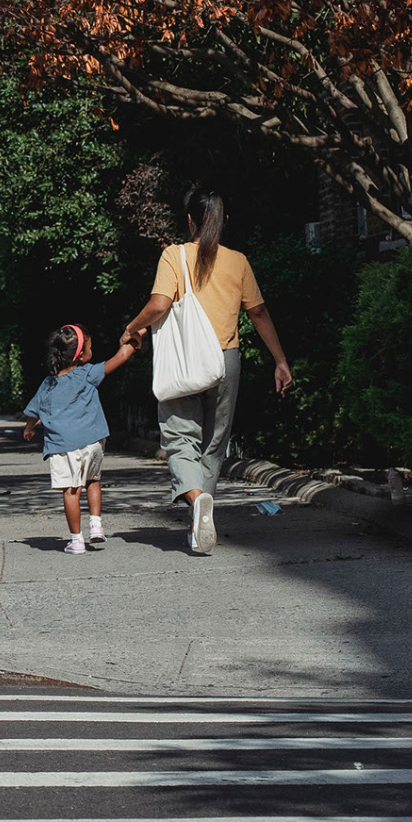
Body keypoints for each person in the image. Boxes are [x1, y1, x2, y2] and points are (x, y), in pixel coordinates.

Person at [120, 189, 293, 555]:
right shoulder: (238, 261)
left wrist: (132, 327)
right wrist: (280, 360)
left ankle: (197, 502)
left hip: (185, 360)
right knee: (214, 445)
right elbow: (258, 313)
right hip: (225, 360)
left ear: (190, 221)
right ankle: (202, 523)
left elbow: (160, 303)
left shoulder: (174, 255)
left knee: (181, 439)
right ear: (224, 221)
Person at [22, 323, 144, 554]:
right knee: (93, 481)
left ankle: (77, 541)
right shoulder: (87, 374)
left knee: (71, 490)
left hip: (63, 446)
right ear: (79, 355)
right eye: (89, 346)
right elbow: (121, 357)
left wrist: (29, 429)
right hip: (92, 441)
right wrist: (137, 335)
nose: (92, 349)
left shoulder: (47, 385)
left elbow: (32, 413)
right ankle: (96, 526)